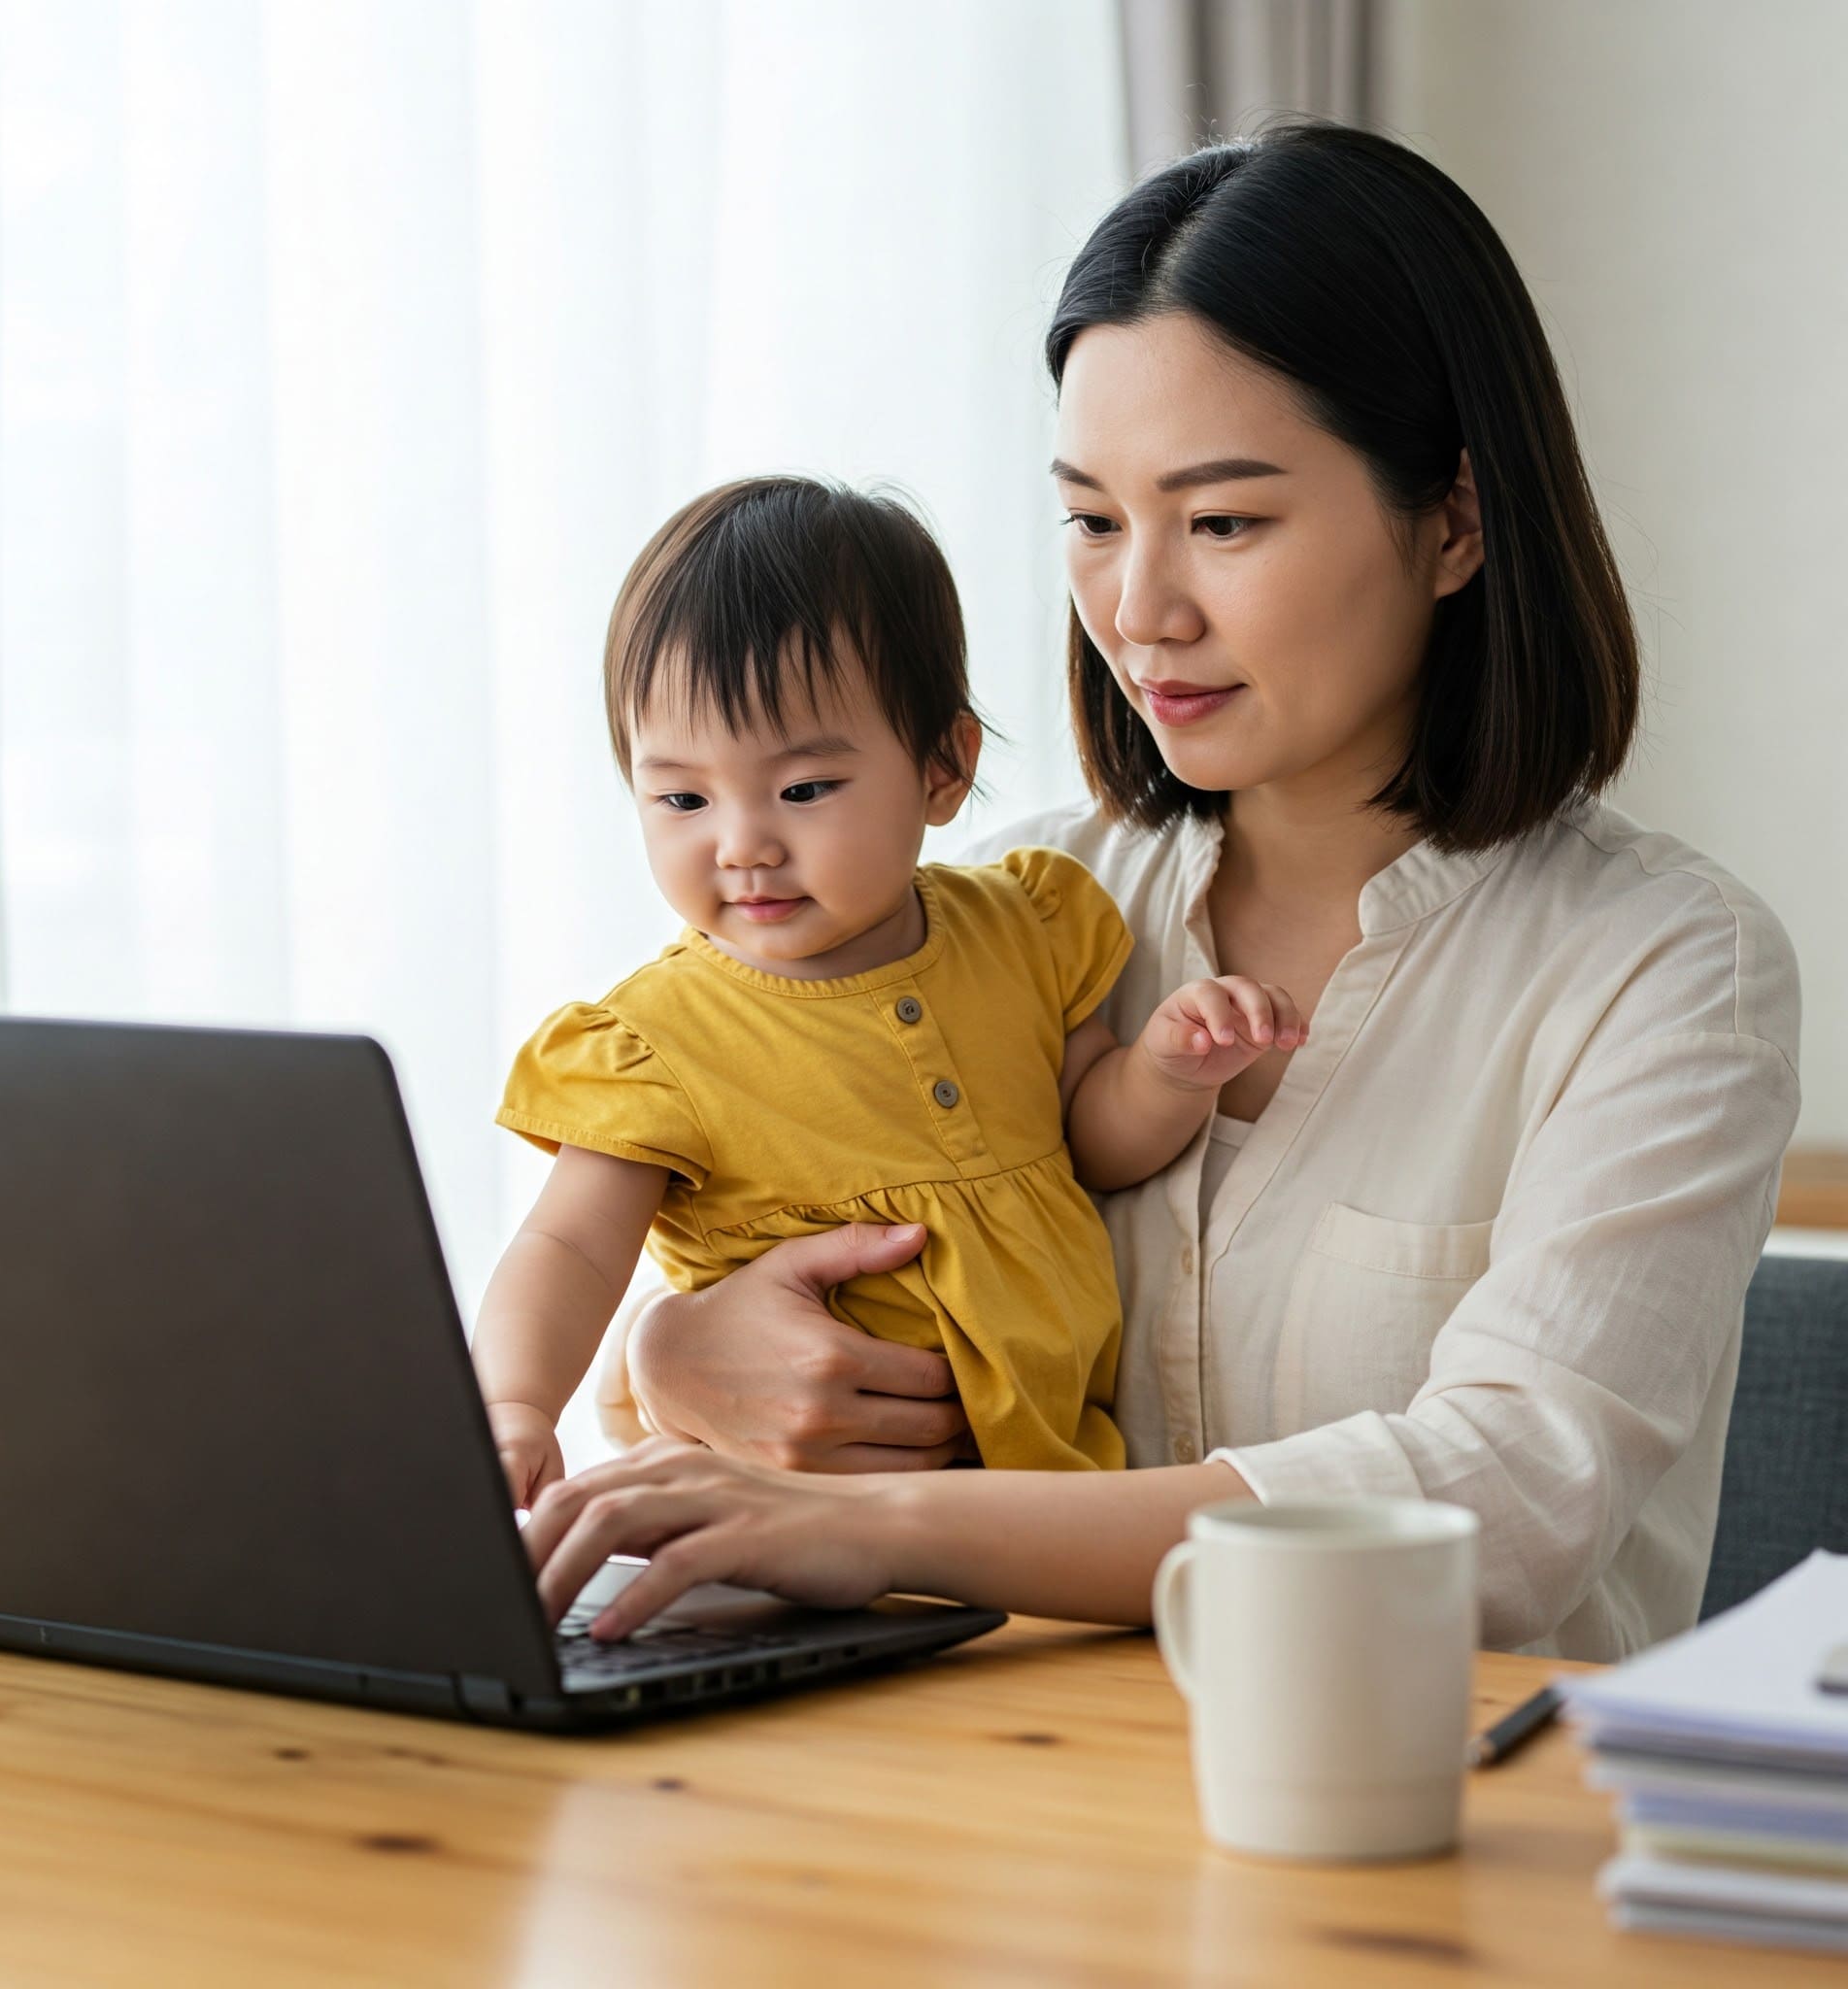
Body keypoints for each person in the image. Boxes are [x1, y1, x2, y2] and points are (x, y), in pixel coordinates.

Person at [522, 118, 1801, 1662]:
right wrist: (670, 1358)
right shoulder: (998, 912)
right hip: (1003, 1809)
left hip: (1442, 1832)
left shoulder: (1665, 969)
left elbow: (1504, 1504)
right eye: (1092, 519)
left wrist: (885, 1526)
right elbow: (692, 1231)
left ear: (1454, 520)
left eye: (1223, 522)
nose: (1139, 611)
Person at [473, 474, 1309, 1501]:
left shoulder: (1022, 927)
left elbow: (1092, 1138)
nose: (742, 845)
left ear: (942, 768)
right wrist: (514, 1402)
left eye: (803, 789)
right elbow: (565, 1244)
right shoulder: (656, 1042)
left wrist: (1171, 1070)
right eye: (681, 796)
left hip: (1037, 1503)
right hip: (782, 1503)